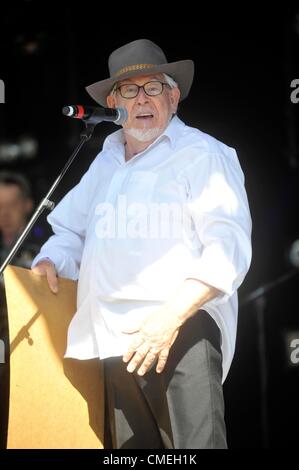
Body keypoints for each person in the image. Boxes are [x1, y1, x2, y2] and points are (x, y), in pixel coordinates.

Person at [31, 39, 252, 449]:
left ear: (173, 97)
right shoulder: (106, 159)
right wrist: (50, 260)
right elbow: (68, 232)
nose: (142, 99)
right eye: (130, 90)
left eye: (153, 87)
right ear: (114, 103)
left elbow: (228, 249)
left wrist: (167, 320)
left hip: (178, 330)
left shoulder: (203, 154)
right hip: (112, 338)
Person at [0, 171, 42, 448]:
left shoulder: (46, 251)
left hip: (31, 351)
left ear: (28, 205)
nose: (5, 214)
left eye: (12, 205)